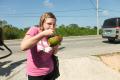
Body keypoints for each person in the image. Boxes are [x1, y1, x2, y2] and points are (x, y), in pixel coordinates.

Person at [20, 12, 60, 80]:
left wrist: (56, 44)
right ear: (42, 23)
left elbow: (54, 52)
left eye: (54, 24)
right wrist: (42, 34)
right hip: (36, 74)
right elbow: (23, 47)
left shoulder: (52, 35)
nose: (52, 27)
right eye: (49, 24)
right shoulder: (34, 30)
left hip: (50, 71)